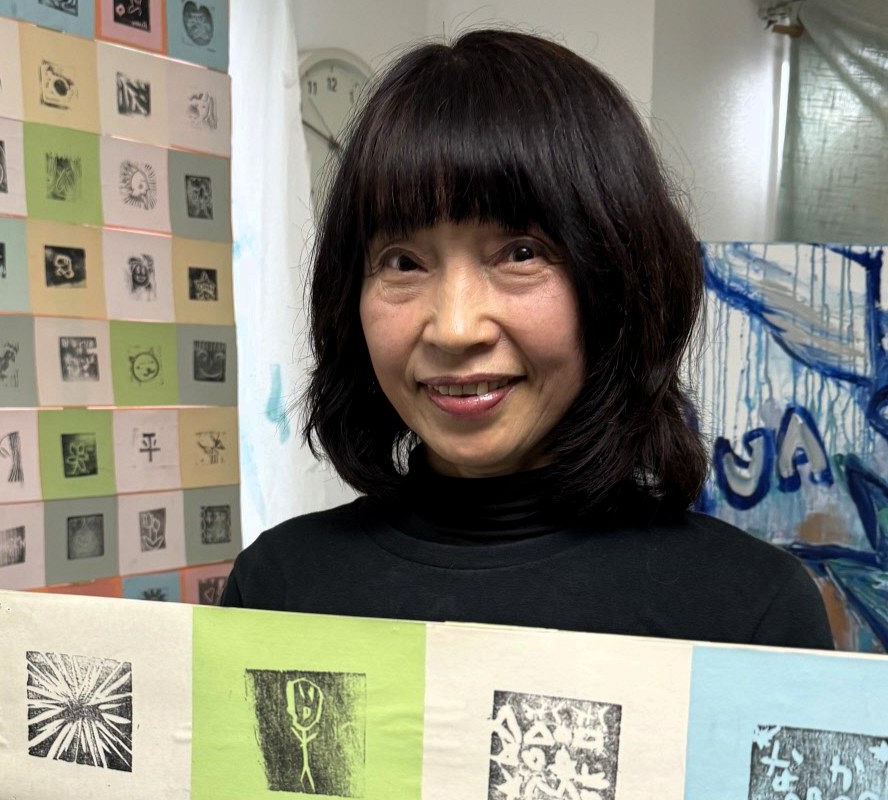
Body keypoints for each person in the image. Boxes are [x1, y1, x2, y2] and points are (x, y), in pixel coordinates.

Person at [219, 29, 834, 649]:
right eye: (403, 262)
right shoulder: (278, 588)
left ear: (619, 282)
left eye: (520, 254)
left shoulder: (748, 612)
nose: (455, 329)